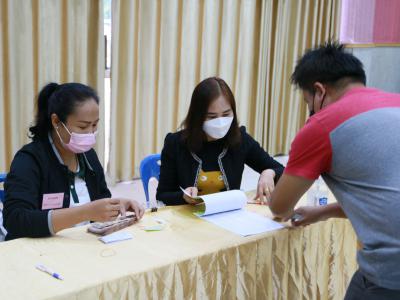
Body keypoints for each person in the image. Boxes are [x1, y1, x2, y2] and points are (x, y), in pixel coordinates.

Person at [269, 42, 400, 299]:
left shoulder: (322, 125)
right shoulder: (395, 102)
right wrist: (322, 212)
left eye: (309, 103)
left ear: (319, 91)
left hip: (390, 272)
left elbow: (280, 207)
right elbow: (383, 195)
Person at [3, 83, 144, 240]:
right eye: (83, 127)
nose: (91, 133)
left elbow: (101, 200)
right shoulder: (29, 160)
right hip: (38, 253)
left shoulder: (88, 156)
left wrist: (117, 205)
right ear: (56, 121)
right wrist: (84, 212)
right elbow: (16, 220)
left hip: (81, 247)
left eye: (95, 125)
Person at [156, 77, 284, 205]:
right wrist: (183, 196)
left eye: (226, 114)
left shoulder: (240, 139)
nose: (220, 122)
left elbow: (282, 171)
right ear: (197, 116)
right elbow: (163, 194)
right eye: (211, 116)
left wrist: (269, 172)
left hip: (228, 217)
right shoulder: (175, 143)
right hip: (189, 218)